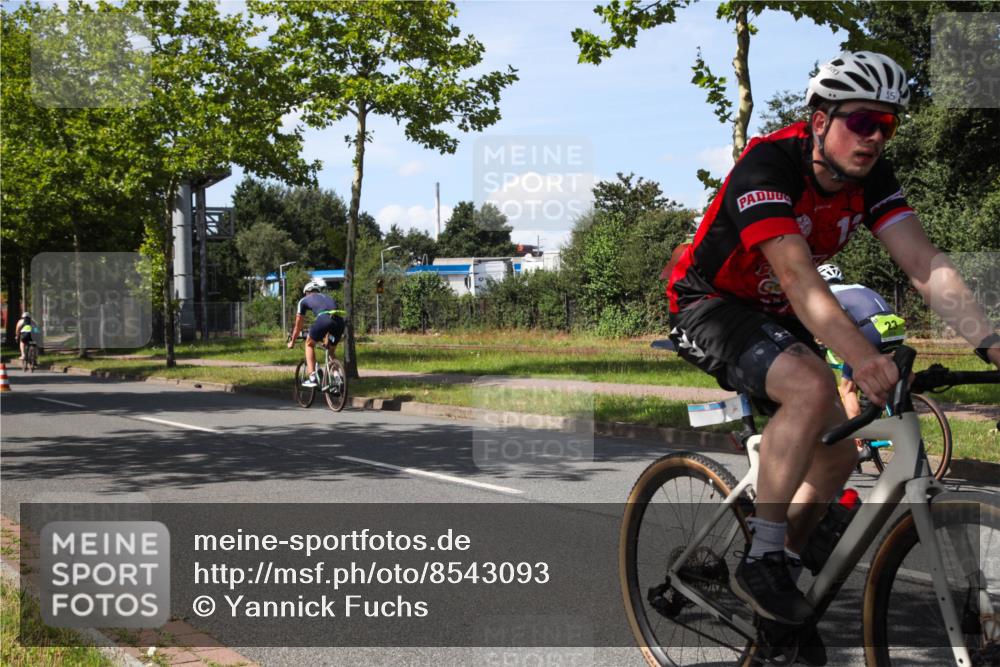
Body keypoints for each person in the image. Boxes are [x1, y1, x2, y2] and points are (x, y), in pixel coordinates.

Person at [666, 50, 1000, 658]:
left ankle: (782, 587)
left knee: (840, 450)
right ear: (820, 121)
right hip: (707, 302)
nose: (874, 137)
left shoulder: (870, 178)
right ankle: (763, 557)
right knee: (811, 384)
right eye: (862, 121)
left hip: (774, 309)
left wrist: (991, 343)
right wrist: (861, 357)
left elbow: (924, 263)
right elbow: (798, 276)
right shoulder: (768, 165)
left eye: (886, 125)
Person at [818, 263, 906, 421]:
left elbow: (833, 322)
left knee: (847, 390)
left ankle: (858, 435)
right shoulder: (859, 287)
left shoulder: (827, 294)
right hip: (896, 329)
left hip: (872, 329)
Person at [286, 280, 345, 388]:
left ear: (307, 292)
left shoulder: (303, 300)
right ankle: (337, 378)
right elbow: (330, 318)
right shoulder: (328, 298)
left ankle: (312, 376)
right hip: (339, 322)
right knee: (331, 351)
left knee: (309, 344)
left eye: (305, 294)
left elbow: (298, 325)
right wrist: (326, 337)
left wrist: (292, 342)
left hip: (323, 319)